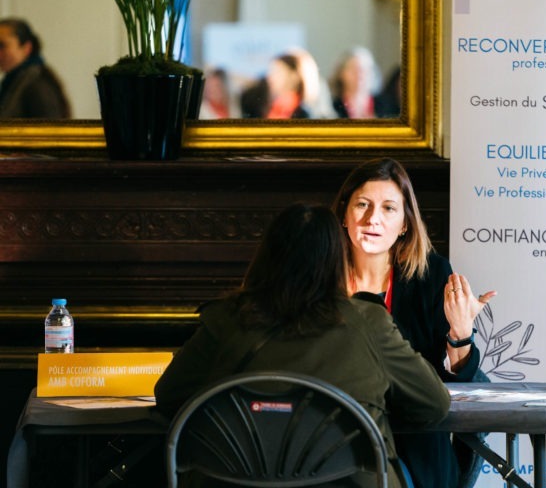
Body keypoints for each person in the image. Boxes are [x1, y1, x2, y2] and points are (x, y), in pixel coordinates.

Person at [154, 203, 450, 487]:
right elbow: (434, 404)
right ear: (338, 260)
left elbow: (168, 396)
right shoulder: (369, 323)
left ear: (265, 257)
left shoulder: (224, 321)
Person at [332, 158, 495, 488]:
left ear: (405, 223)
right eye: (362, 204)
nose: (372, 218)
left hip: (414, 440)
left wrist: (461, 333)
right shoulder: (318, 271)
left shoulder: (431, 273)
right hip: (330, 433)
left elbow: (458, 382)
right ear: (344, 215)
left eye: (389, 208)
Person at [0, 17, 70, 119]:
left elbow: (49, 131)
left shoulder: (37, 83)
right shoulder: (16, 80)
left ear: (26, 48)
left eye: (2, 46)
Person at [330, 46, 380, 119]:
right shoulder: (331, 107)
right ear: (341, 73)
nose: (359, 74)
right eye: (353, 68)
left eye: (365, 69)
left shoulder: (385, 106)